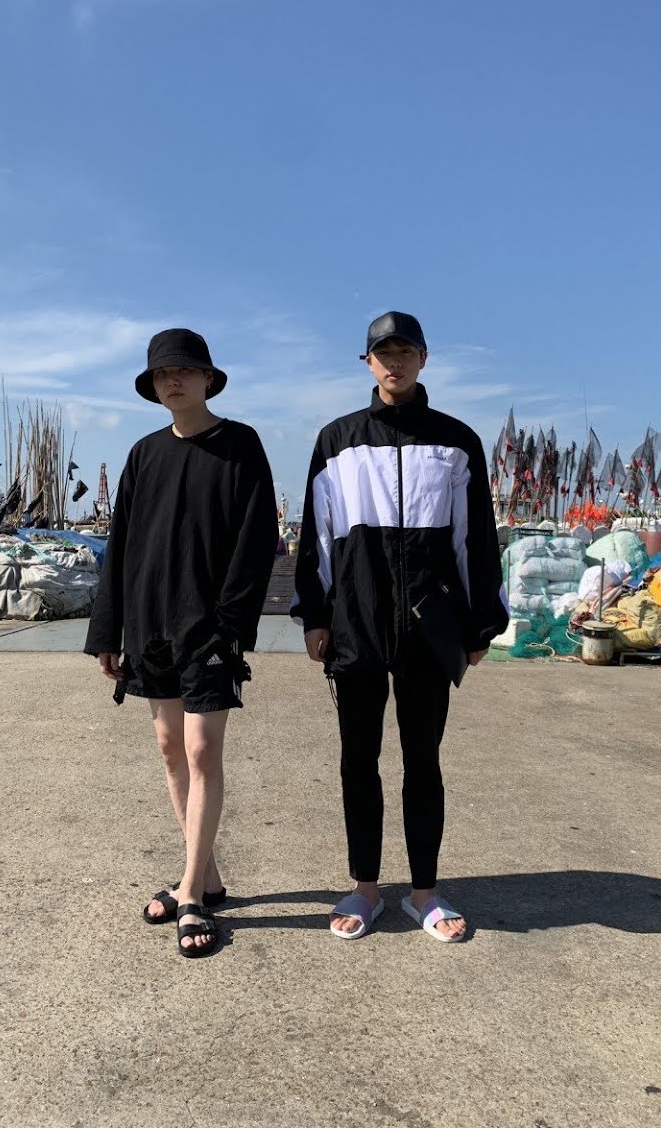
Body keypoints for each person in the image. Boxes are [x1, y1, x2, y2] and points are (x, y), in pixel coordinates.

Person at [292, 311, 508, 943]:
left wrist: (479, 624)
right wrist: (315, 615)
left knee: (423, 761)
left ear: (423, 359)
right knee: (358, 760)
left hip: (428, 626)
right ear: (368, 362)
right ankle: (365, 887)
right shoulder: (338, 440)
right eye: (383, 353)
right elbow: (318, 538)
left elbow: (475, 539)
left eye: (406, 351)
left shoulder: (456, 441)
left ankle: (424, 892)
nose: (395, 362)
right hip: (356, 622)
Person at [84, 328, 278, 959]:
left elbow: (256, 541)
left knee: (201, 750)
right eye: (163, 373)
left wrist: (231, 625)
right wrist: (107, 632)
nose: (174, 380)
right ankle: (208, 875)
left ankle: (191, 892)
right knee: (171, 748)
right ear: (153, 385)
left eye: (186, 371)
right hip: (148, 624)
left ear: (208, 379)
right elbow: (120, 547)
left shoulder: (241, 445)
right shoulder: (143, 454)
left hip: (210, 628)